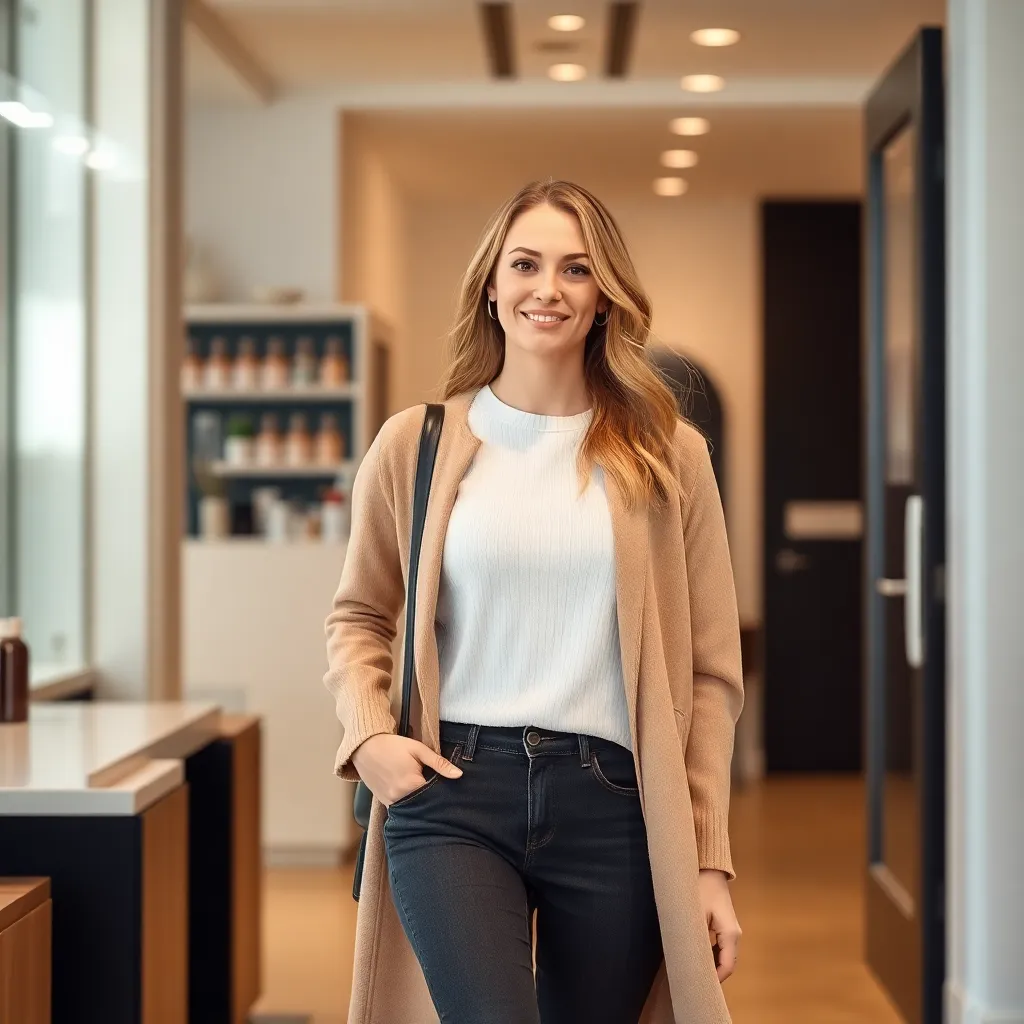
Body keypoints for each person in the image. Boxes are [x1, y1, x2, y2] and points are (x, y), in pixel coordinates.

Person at [324, 179, 744, 1024]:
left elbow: (709, 675)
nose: (547, 288)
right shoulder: (417, 444)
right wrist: (369, 733)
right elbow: (360, 615)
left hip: (618, 803)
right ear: (491, 284)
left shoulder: (671, 456)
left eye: (576, 269)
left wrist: (707, 860)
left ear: (604, 299)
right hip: (453, 793)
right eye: (525, 264)